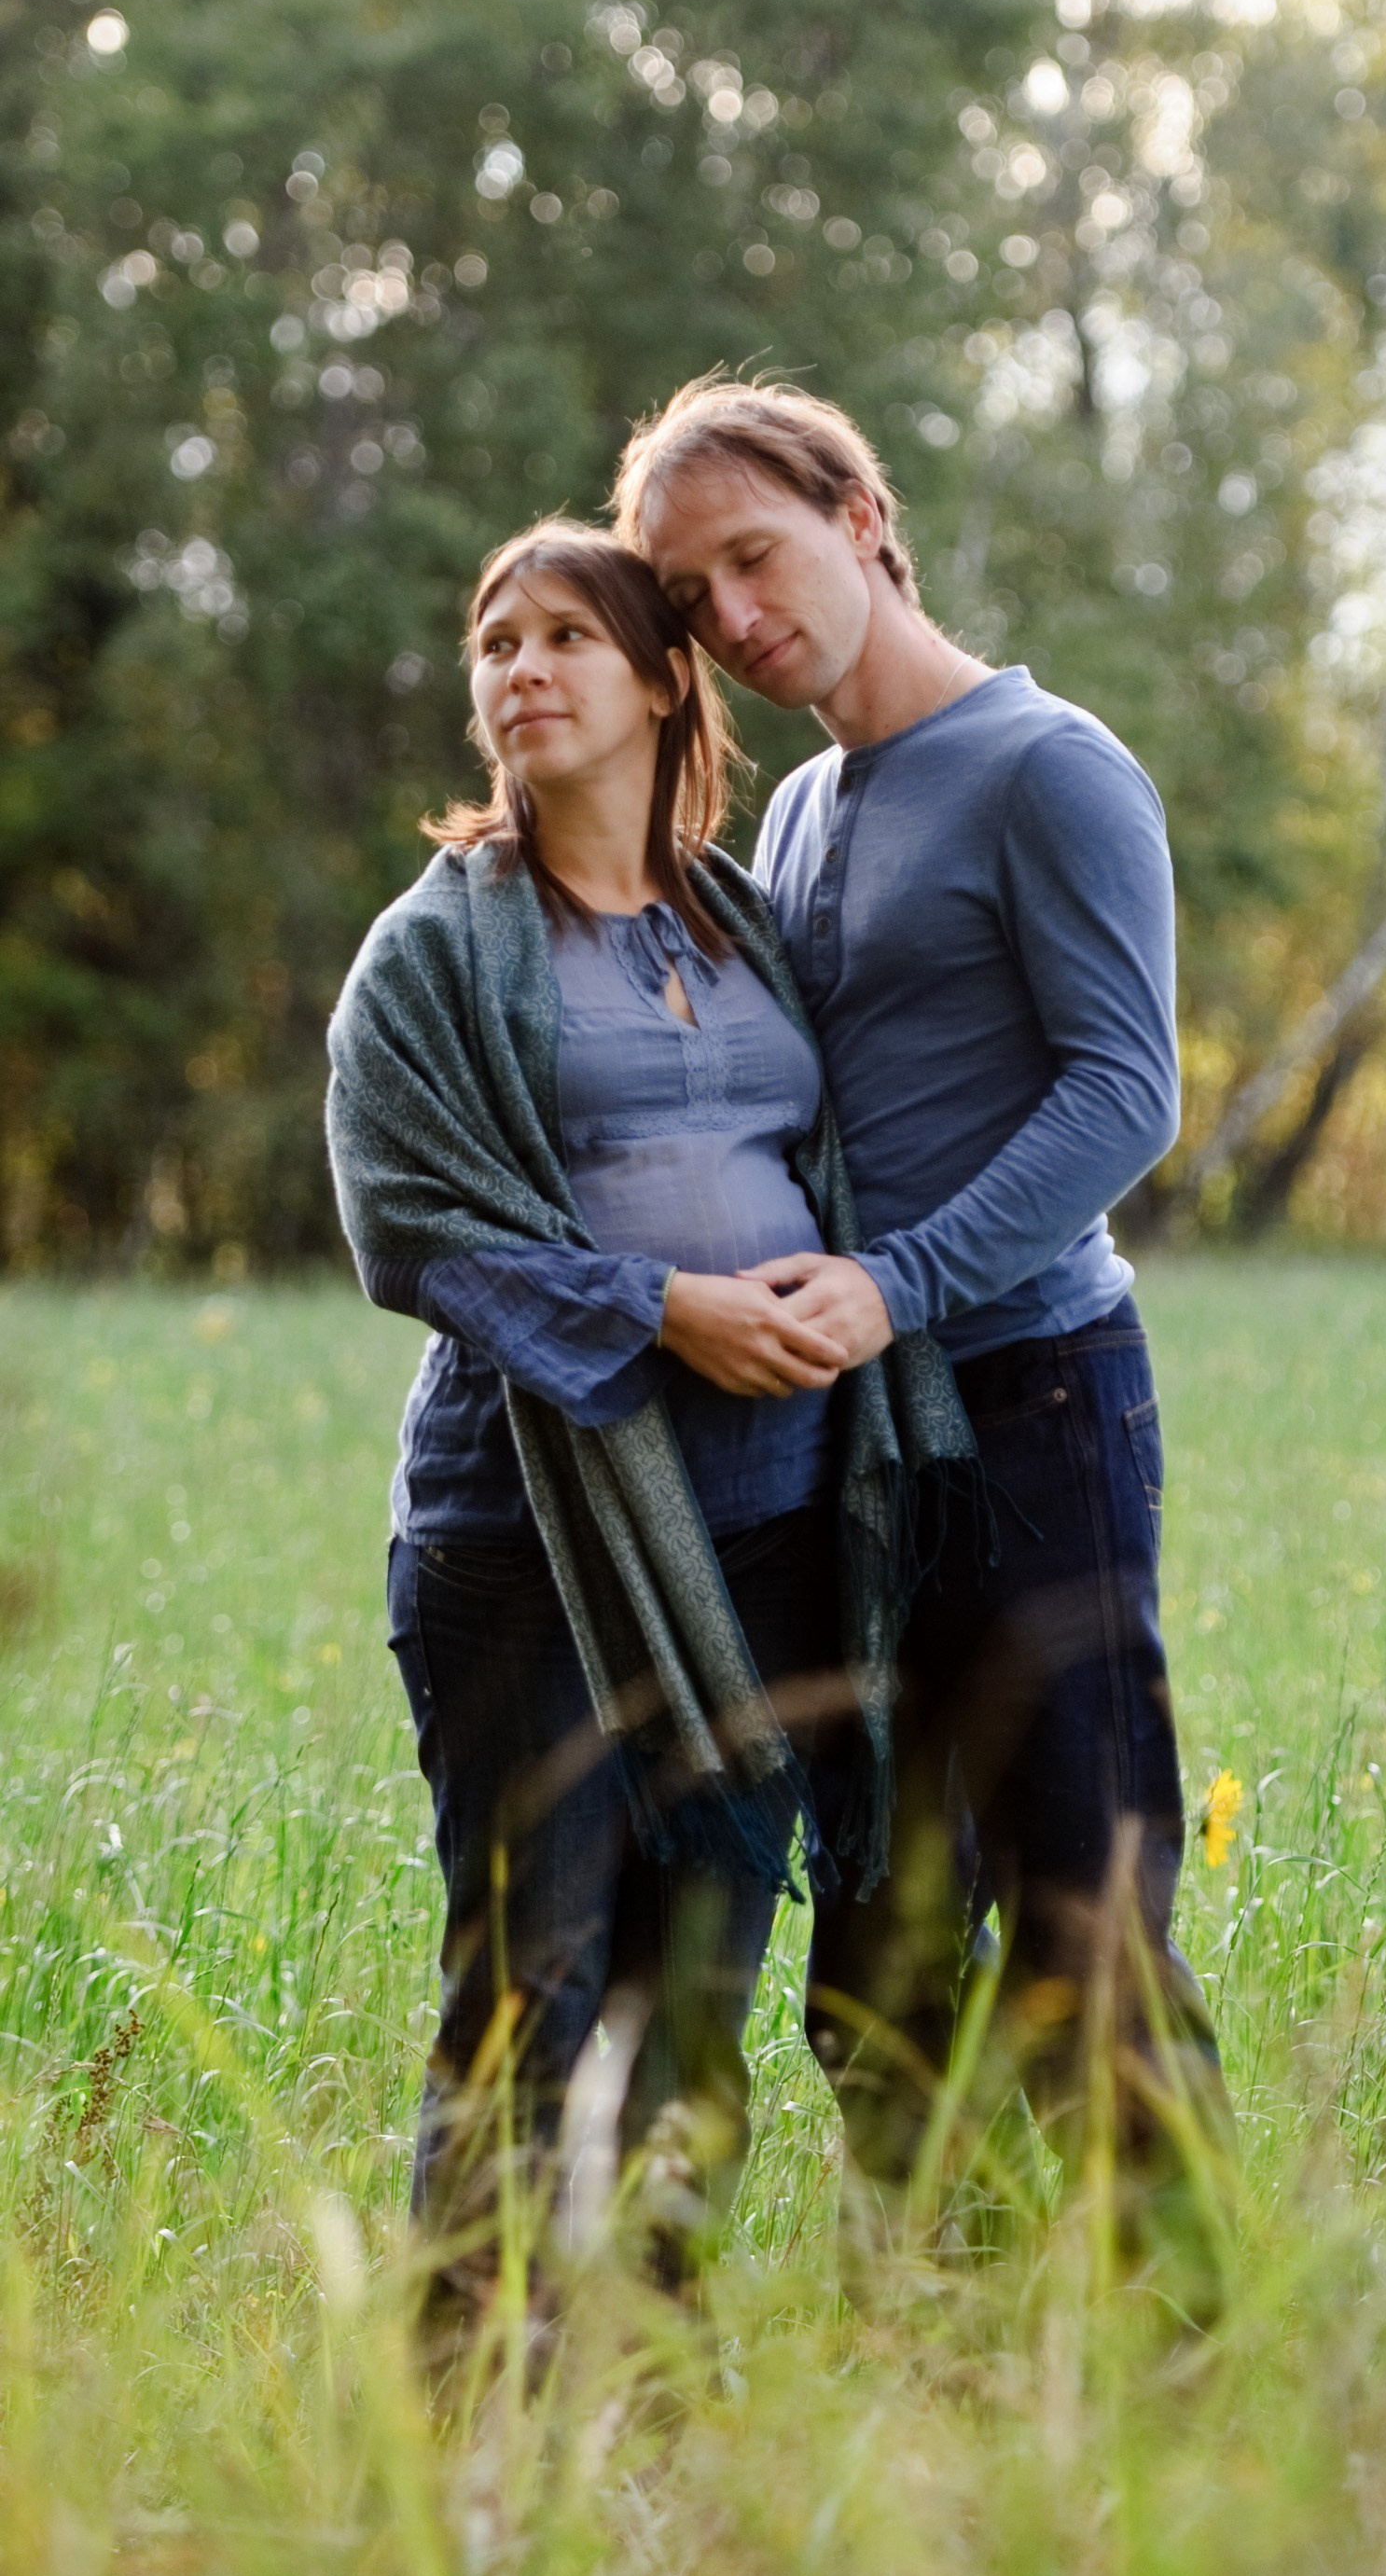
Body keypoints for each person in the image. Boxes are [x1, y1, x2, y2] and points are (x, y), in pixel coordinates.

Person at [614, 378, 1233, 2294]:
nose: (734, 614)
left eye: (756, 555)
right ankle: (943, 2340)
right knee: (882, 1931)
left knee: (1080, 1915)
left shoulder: (1049, 766)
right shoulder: (802, 809)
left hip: (1034, 1400)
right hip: (848, 1441)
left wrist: (899, 1279)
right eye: (690, 595)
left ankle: (1193, 2349)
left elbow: (1127, 1090)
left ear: (863, 520)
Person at [324, 520, 975, 2320]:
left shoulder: (738, 916)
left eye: (565, 637)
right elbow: (406, 1220)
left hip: (767, 1525)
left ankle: (652, 2382)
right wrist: (667, 1309)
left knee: (695, 1986)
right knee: (532, 1982)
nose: (520, 669)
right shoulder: (437, 947)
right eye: (495, 642)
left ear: (663, 678)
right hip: (530, 1535)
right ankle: (474, 2394)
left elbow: (832, 1149)